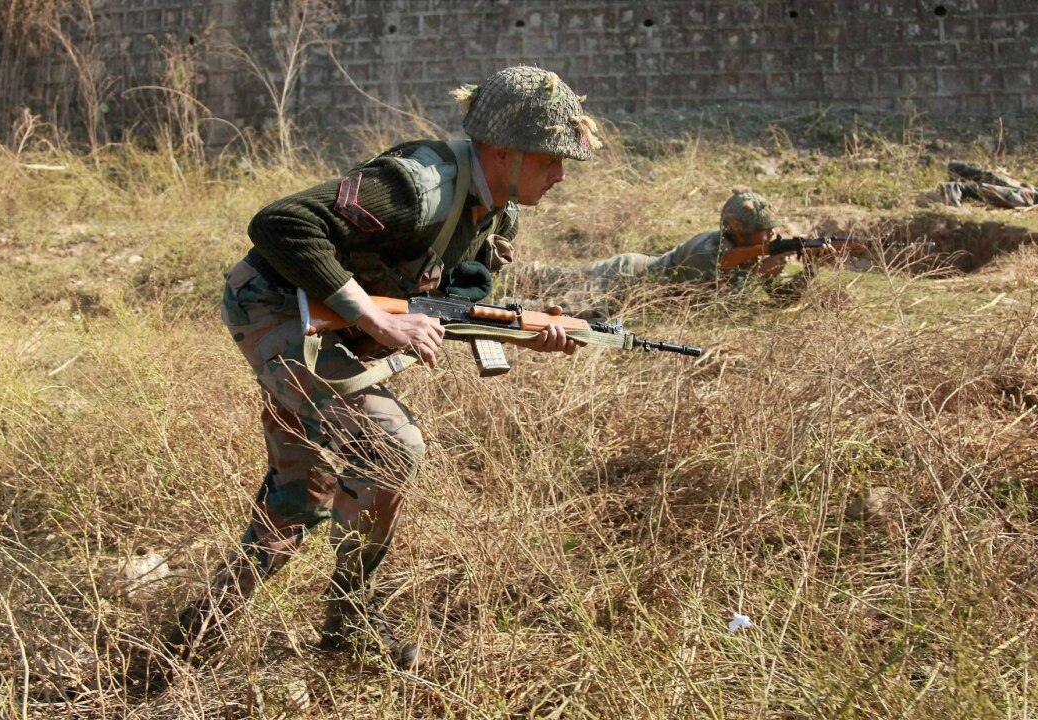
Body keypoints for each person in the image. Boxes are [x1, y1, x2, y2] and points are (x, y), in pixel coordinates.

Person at [144, 66, 602, 684]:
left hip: (332, 326)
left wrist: (523, 332)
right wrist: (371, 317)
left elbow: (454, 304)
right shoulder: (418, 185)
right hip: (278, 306)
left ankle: (183, 645)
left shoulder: (496, 212)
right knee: (392, 443)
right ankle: (350, 613)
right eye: (551, 159)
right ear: (503, 153)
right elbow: (279, 224)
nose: (561, 174)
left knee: (298, 498)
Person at [513, 189, 835, 314]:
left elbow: (778, 301)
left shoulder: (749, 255)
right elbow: (720, 303)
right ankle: (500, 290)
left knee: (558, 302)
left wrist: (810, 269)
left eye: (771, 231)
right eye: (763, 232)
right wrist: (761, 269)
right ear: (740, 231)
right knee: (555, 292)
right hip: (625, 278)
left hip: (632, 296)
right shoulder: (708, 250)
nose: (771, 236)